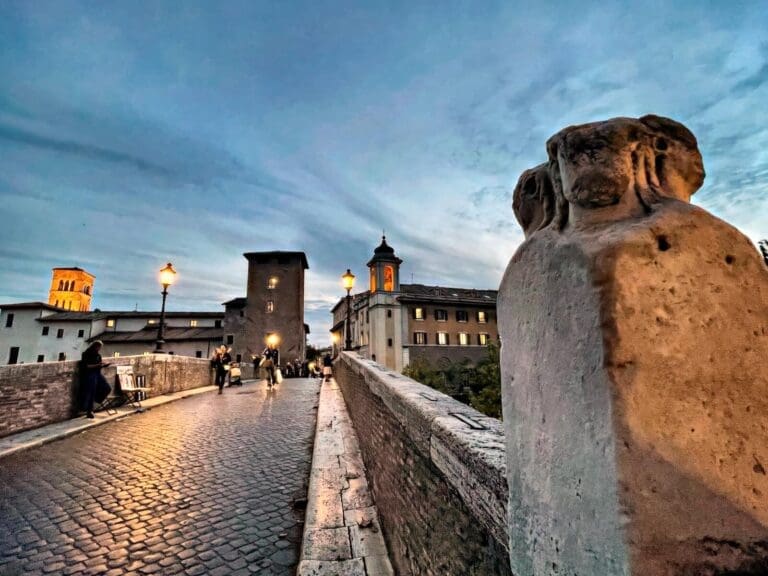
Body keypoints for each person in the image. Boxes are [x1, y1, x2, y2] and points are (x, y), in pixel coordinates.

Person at [80, 340, 111, 418]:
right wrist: (97, 365)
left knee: (107, 388)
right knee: (91, 391)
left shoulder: (98, 355)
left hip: (97, 373)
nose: (99, 349)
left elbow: (99, 364)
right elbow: (86, 366)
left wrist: (103, 365)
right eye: (99, 347)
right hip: (89, 374)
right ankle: (89, 411)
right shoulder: (86, 354)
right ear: (95, 346)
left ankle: (95, 400)